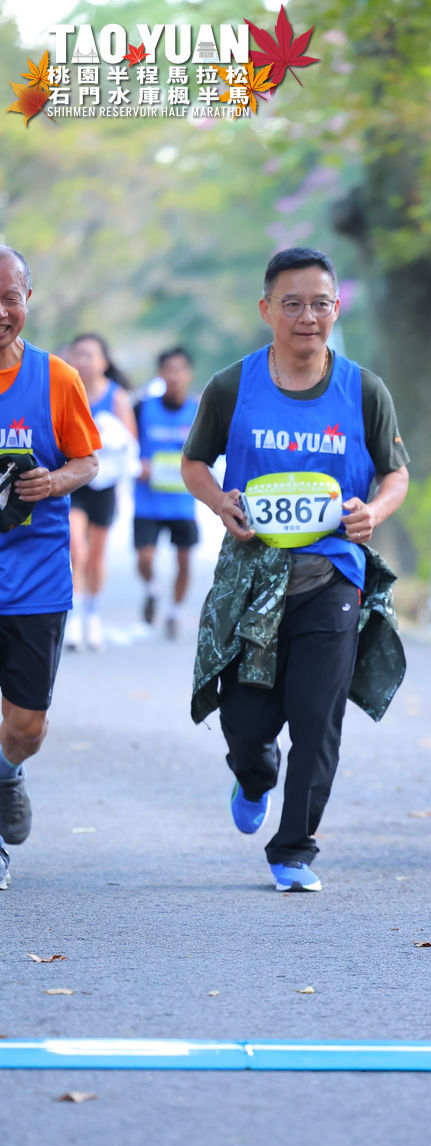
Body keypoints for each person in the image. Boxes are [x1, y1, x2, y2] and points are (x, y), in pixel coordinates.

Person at [181, 247, 409, 892]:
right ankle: (255, 776)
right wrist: (220, 501)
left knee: (317, 718)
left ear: (336, 309)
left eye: (320, 304)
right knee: (246, 723)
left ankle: (294, 851)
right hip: (253, 579)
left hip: (333, 575)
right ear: (267, 309)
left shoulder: (364, 389)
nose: (307, 316)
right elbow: (194, 464)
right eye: (293, 304)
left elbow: (396, 474)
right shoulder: (232, 386)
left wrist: (374, 512)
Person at [0, 247, 101, 890]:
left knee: (26, 729)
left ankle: (7, 772)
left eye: (9, 297)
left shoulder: (56, 378)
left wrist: (53, 482)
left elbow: (88, 461)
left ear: (27, 301)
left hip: (35, 579)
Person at [66, 332, 138, 651]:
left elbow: (132, 446)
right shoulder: (64, 390)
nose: (83, 361)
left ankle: (92, 617)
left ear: (104, 362)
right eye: (78, 354)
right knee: (75, 550)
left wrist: (111, 442)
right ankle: (74, 617)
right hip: (73, 483)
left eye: (89, 355)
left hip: (105, 485)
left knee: (95, 557)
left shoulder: (116, 397)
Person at [134, 347, 200, 639]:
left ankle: (175, 612)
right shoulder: (141, 408)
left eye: (180, 370)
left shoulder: (199, 411)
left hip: (183, 503)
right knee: (144, 559)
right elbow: (126, 443)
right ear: (160, 374)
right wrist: (138, 463)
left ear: (189, 374)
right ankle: (152, 588)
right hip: (147, 502)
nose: (175, 377)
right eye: (169, 370)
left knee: (184, 559)